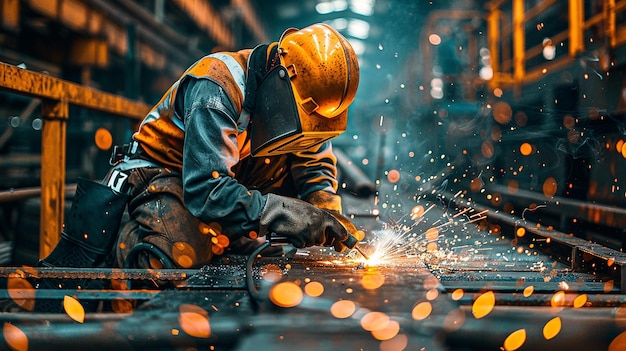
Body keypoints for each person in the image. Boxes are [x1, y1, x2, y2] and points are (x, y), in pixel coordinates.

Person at [39, 23, 361, 271]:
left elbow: (312, 155)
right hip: (165, 174)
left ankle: (229, 237)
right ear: (279, 73)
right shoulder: (216, 86)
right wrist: (290, 215)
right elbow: (207, 191)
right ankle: (128, 252)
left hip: (219, 179)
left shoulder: (288, 95)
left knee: (274, 190)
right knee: (183, 252)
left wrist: (324, 210)